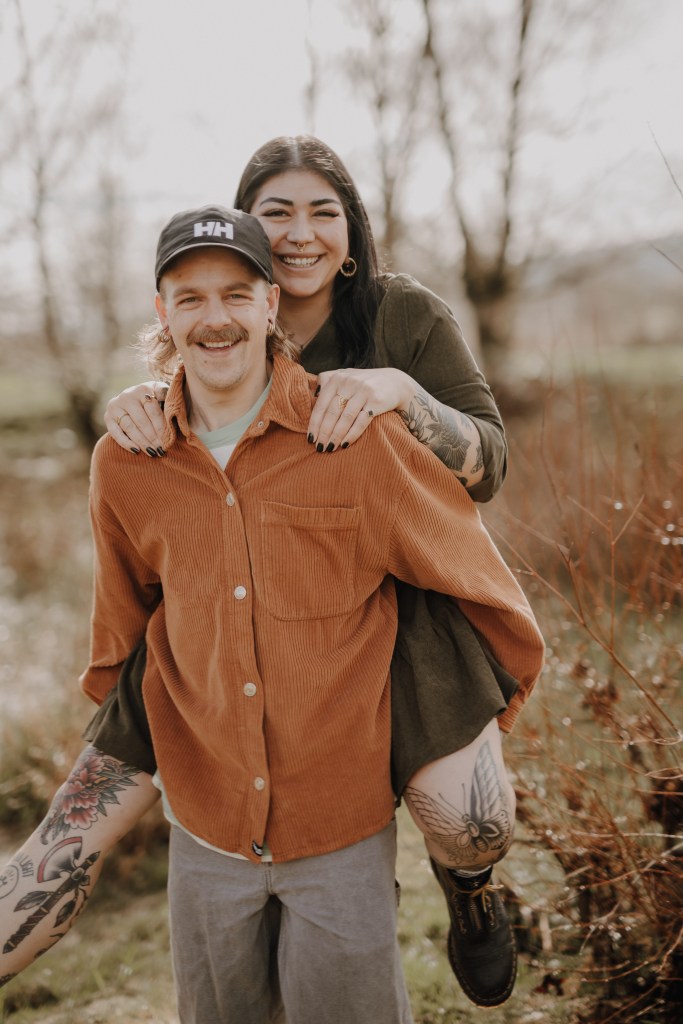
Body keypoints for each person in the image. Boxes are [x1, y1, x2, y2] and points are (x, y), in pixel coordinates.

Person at [0, 137, 526, 1009]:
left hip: (378, 599)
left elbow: (486, 476)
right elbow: (130, 584)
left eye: (322, 211)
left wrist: (398, 389)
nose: (298, 231)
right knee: (62, 844)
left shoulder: (397, 328)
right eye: (274, 212)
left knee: (469, 818)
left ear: (343, 241)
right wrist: (135, 404)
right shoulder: (140, 443)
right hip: (204, 619)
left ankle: (467, 892)